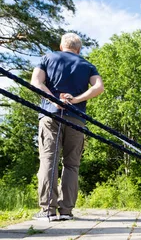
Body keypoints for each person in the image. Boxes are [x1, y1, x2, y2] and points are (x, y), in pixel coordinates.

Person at [31, 33, 104, 221]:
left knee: (49, 159)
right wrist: (76, 100)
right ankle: (66, 211)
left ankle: (47, 210)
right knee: (72, 164)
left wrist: (53, 100)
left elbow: (36, 82)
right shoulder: (87, 65)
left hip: (50, 115)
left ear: (61, 46)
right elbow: (99, 87)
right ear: (78, 49)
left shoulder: (47, 58)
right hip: (77, 119)